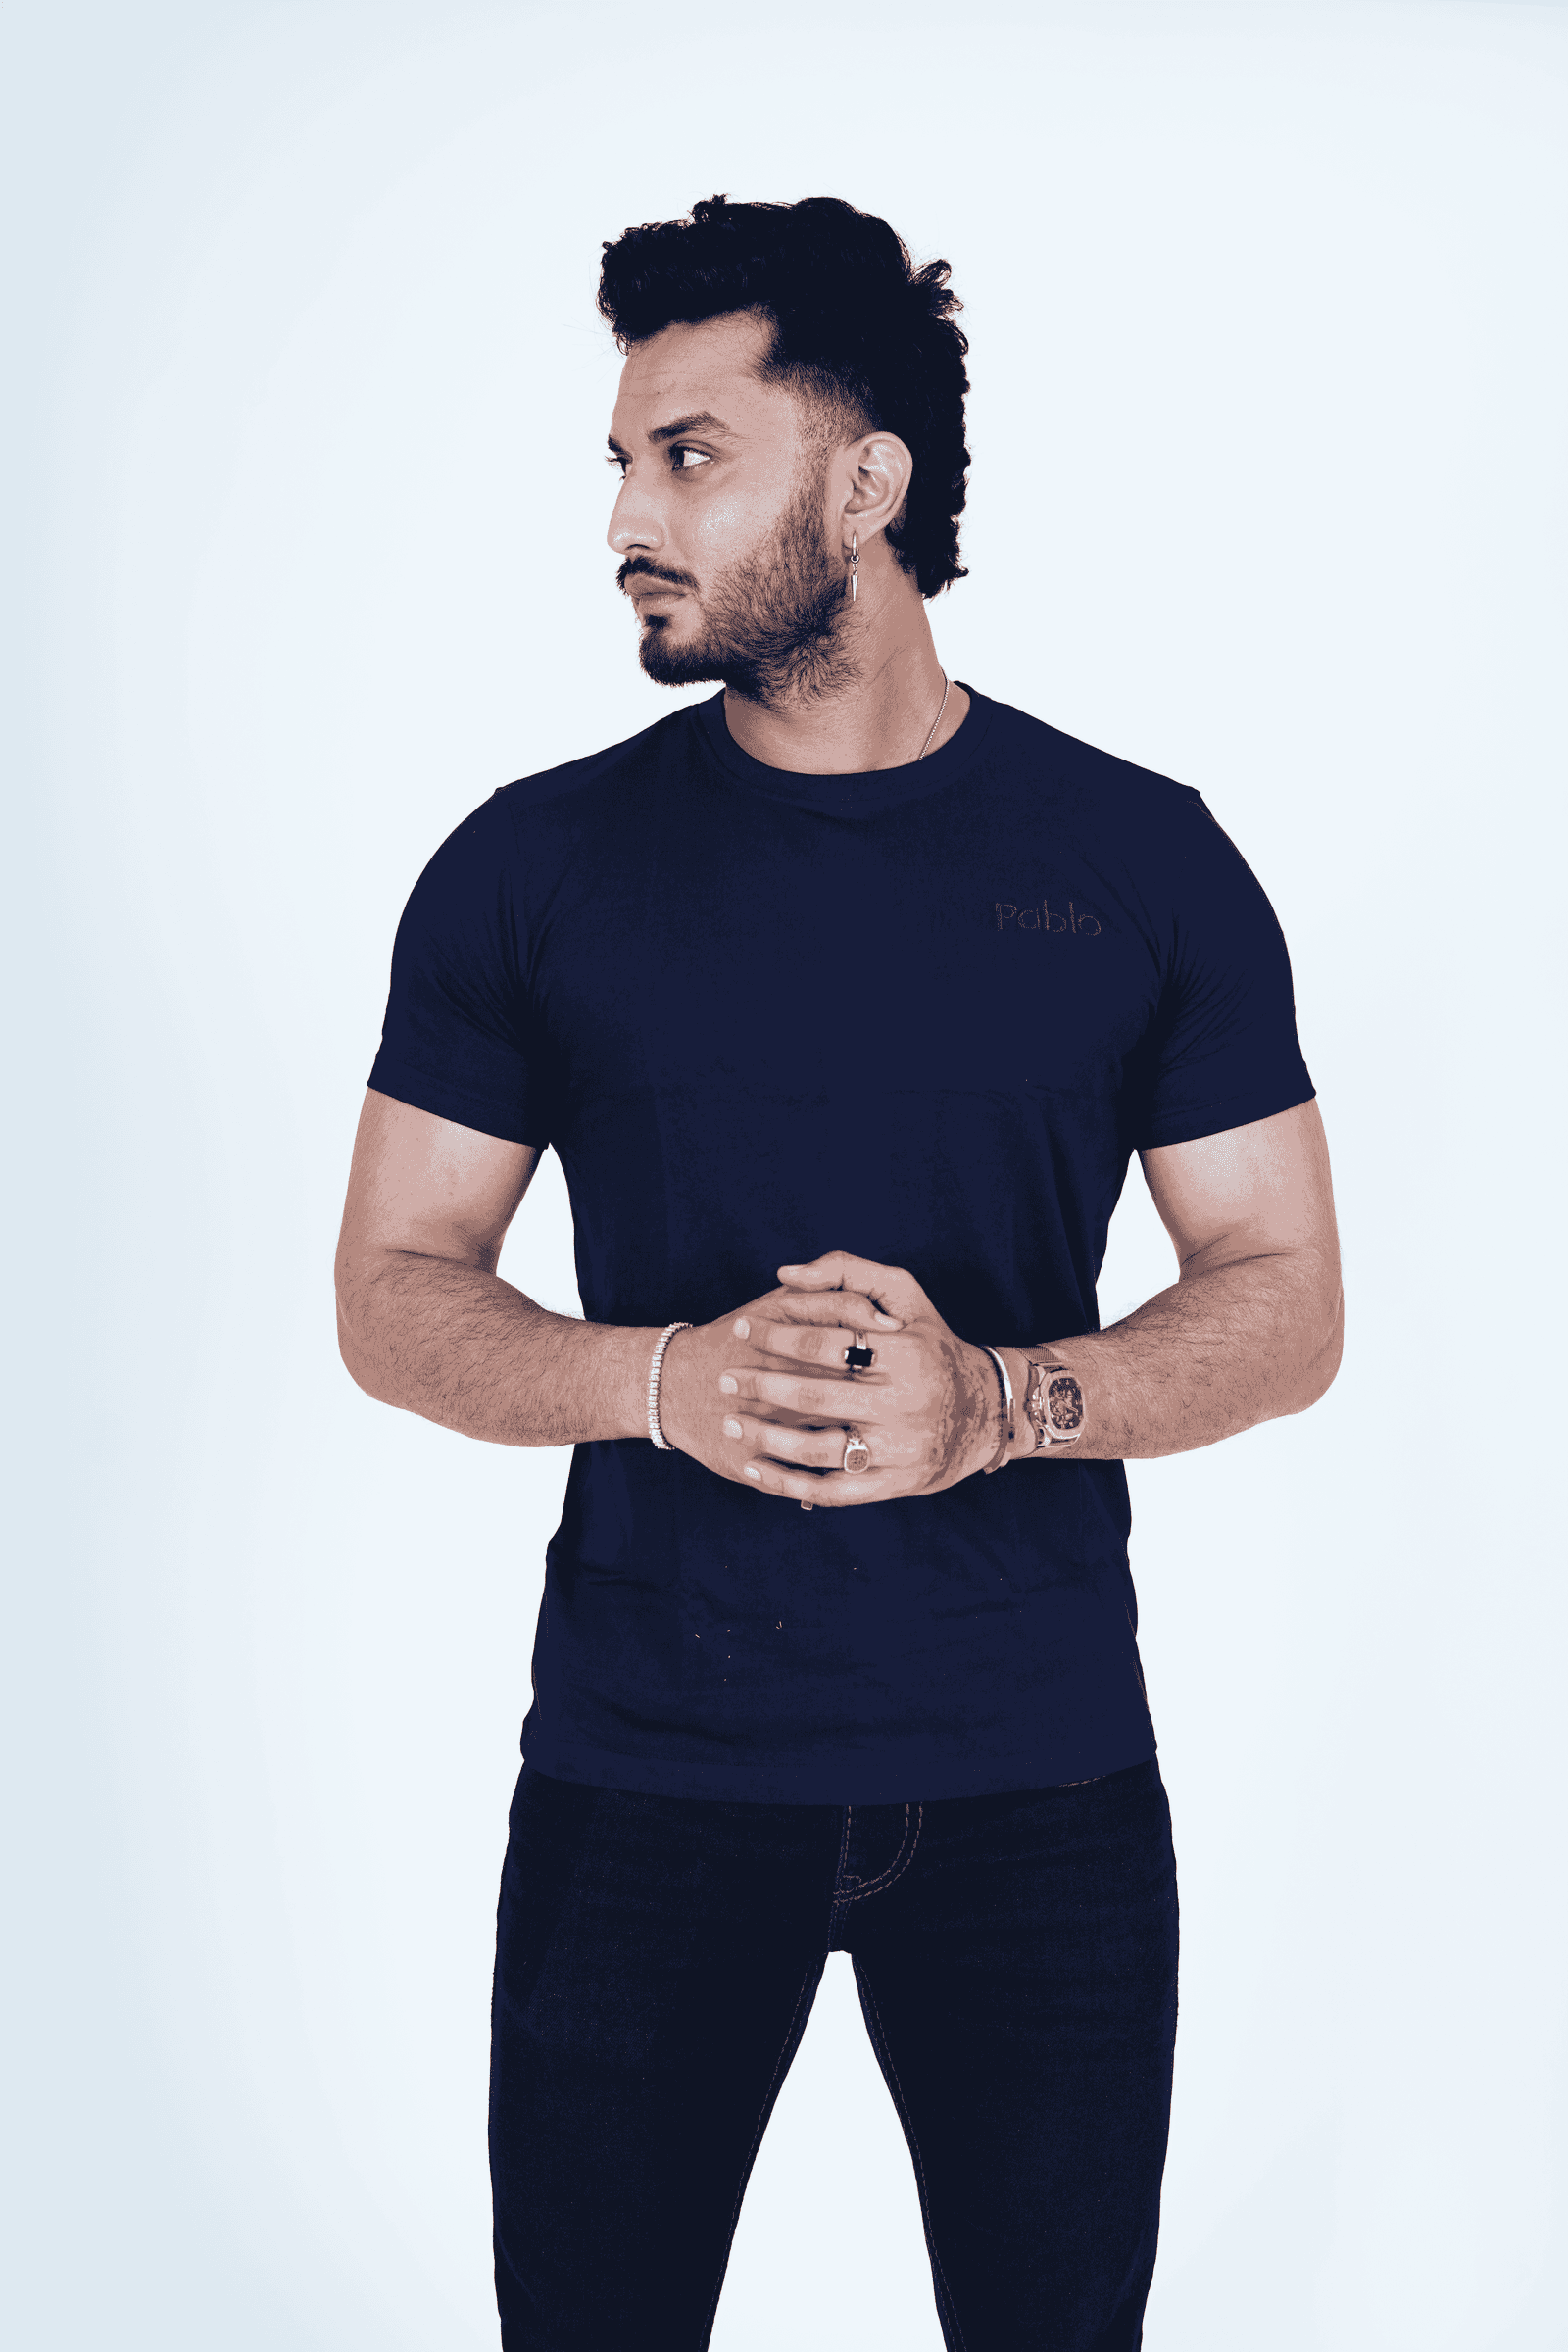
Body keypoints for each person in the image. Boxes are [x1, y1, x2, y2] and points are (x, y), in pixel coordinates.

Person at [334, 193, 1343, 2352]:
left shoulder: (1140, 858)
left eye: (688, 454)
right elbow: (395, 1283)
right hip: (643, 1776)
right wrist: (659, 1379)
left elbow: (1281, 1290)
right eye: (622, 460)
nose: (627, 517)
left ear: (865, 484)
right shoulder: (531, 865)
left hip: (1040, 1783)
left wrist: (1004, 1406)